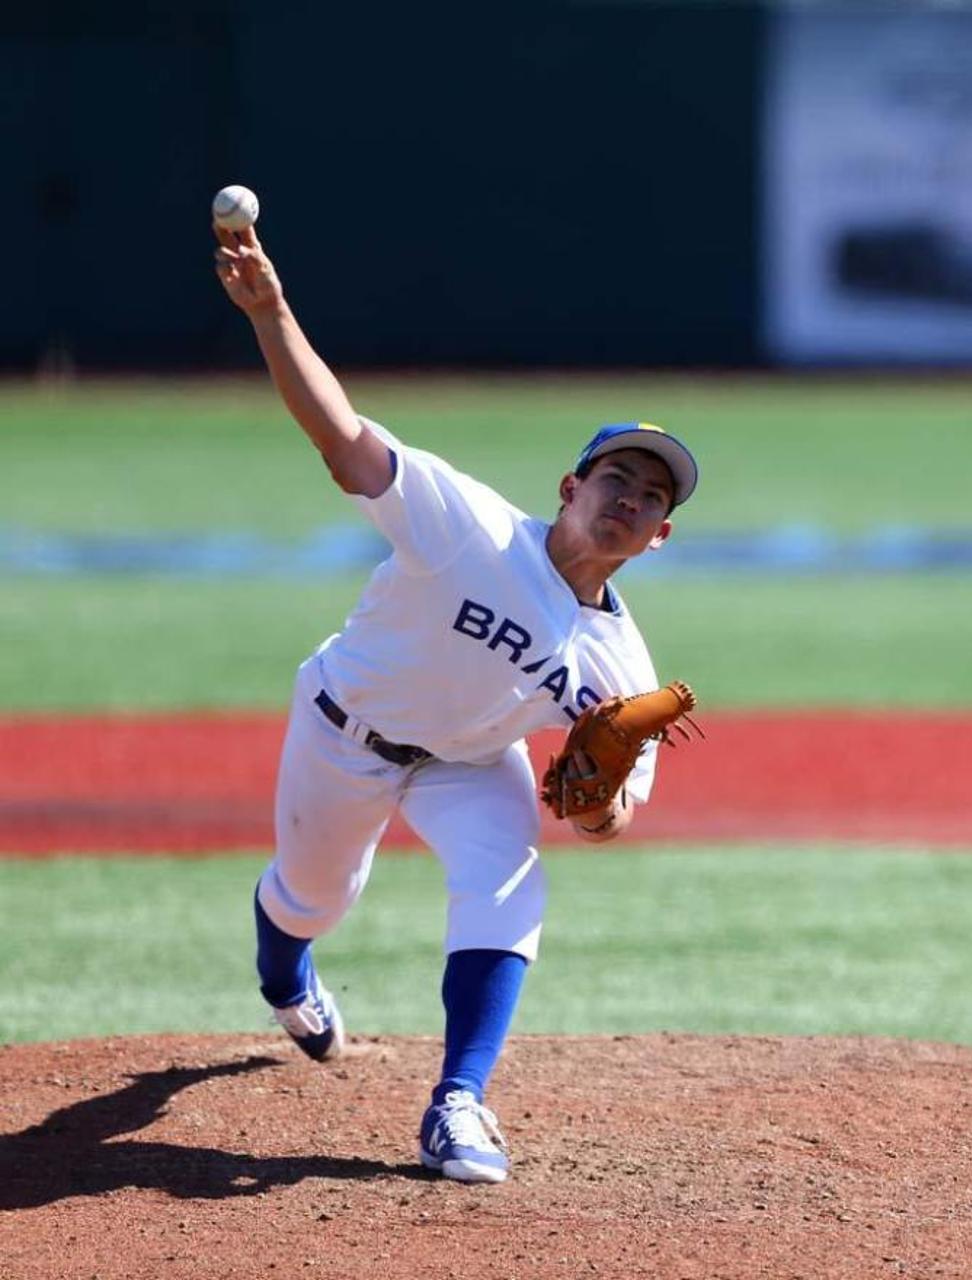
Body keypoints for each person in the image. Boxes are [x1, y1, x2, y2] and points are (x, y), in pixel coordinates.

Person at [213, 218, 698, 1184]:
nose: (630, 501)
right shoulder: (467, 523)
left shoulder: (623, 664)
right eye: (617, 478)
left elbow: (613, 815)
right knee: (314, 899)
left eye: (652, 500)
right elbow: (342, 439)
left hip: (471, 763)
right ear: (570, 486)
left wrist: (598, 812)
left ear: (659, 539)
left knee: (512, 882)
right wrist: (272, 314)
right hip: (345, 728)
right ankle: (284, 979)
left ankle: (458, 1104)